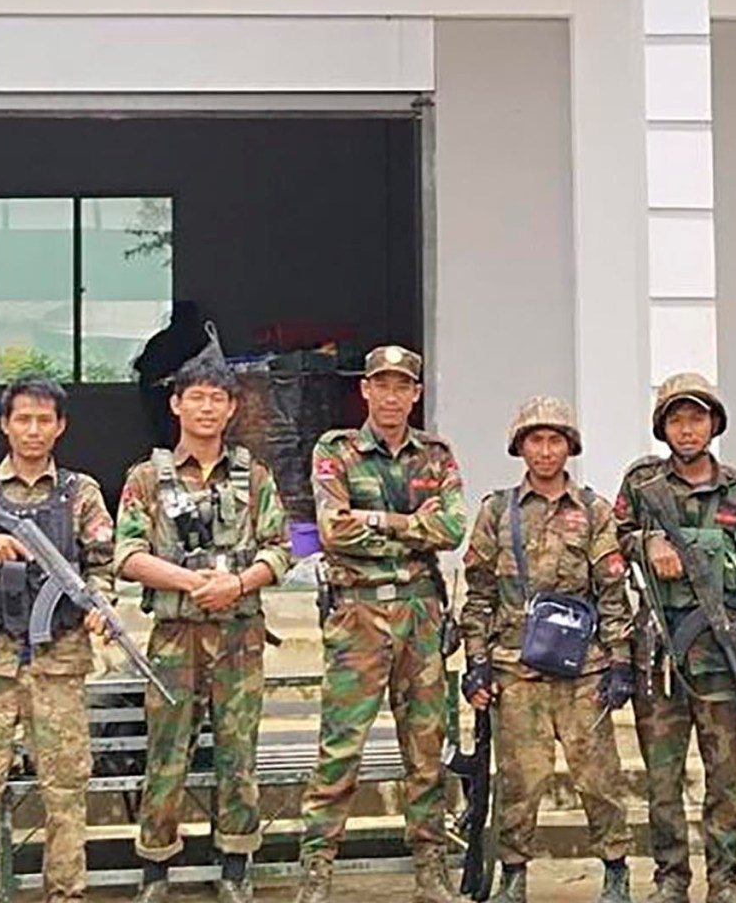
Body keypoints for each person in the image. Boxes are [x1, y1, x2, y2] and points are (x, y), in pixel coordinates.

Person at [113, 342, 294, 903]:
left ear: (232, 408)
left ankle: (236, 862)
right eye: (196, 398)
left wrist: (238, 584)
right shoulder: (146, 477)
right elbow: (126, 554)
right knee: (167, 753)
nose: (207, 409)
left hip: (239, 637)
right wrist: (192, 583)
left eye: (218, 399)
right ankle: (156, 865)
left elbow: (281, 550)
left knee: (238, 754)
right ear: (176, 405)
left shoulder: (255, 477)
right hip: (175, 635)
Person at [293, 344, 468, 903]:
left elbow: (453, 528)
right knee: (341, 748)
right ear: (365, 390)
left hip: (420, 613)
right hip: (358, 616)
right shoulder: (336, 449)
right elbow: (333, 530)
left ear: (416, 394)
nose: (391, 396)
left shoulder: (435, 456)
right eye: (381, 385)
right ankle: (317, 868)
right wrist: (409, 524)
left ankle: (430, 867)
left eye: (402, 386)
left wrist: (375, 519)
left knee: (425, 748)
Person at [0, 374, 117, 903]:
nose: (33, 430)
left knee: (65, 790)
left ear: (60, 426)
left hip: (58, 659)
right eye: (23, 419)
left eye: (44, 420)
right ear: (4, 424)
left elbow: (104, 565)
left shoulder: (80, 493)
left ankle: (65, 893)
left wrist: (100, 606)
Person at [459, 396, 637, 903]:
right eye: (535, 440)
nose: (544, 450)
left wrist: (621, 660)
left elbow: (611, 592)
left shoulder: (594, 510)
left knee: (599, 778)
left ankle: (616, 870)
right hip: (516, 668)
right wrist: (476, 664)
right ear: (520, 447)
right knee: (520, 780)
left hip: (585, 669)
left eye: (554, 440)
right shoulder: (497, 511)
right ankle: (514, 874)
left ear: (569, 447)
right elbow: (479, 595)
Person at [617, 373, 736, 903]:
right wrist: (649, 541)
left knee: (724, 779)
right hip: (660, 657)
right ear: (663, 427)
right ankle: (670, 879)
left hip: (722, 658)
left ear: (713, 424)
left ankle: (724, 880)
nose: (688, 429)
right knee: (662, 781)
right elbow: (609, 542)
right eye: (677, 419)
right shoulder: (642, 485)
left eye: (697, 418)